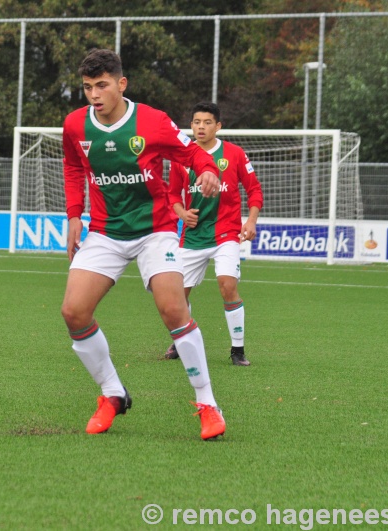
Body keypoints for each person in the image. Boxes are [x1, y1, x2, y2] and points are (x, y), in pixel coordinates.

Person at [60, 48, 225, 441]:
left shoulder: (151, 122)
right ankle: (112, 393)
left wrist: (206, 173)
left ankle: (207, 403)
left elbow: (192, 154)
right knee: (74, 311)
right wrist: (73, 215)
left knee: (173, 308)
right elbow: (71, 166)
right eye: (87, 88)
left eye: (102, 86)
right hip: (104, 230)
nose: (95, 95)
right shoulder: (74, 126)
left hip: (156, 230)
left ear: (121, 83)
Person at [163, 102, 263, 366]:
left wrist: (250, 222)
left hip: (225, 233)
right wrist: (182, 214)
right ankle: (180, 341)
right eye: (196, 122)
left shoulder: (234, 154)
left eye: (207, 122)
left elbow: (254, 190)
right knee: (177, 295)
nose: (200, 127)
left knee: (227, 285)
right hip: (193, 237)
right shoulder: (181, 157)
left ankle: (238, 350)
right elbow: (172, 194)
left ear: (218, 126)